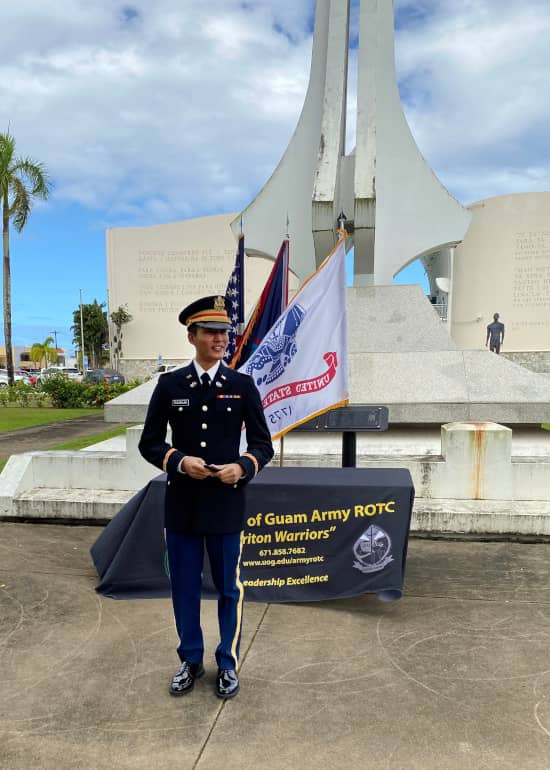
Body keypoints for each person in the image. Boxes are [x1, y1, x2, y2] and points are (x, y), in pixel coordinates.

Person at [138, 295, 273, 700]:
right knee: (183, 587)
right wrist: (177, 461)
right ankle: (191, 660)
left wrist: (243, 467)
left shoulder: (241, 386)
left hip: (226, 505)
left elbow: (263, 444)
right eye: (211, 332)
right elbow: (149, 444)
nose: (220, 339)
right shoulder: (170, 385)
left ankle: (227, 662)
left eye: (224, 333)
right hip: (182, 506)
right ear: (191, 336)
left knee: (229, 589)